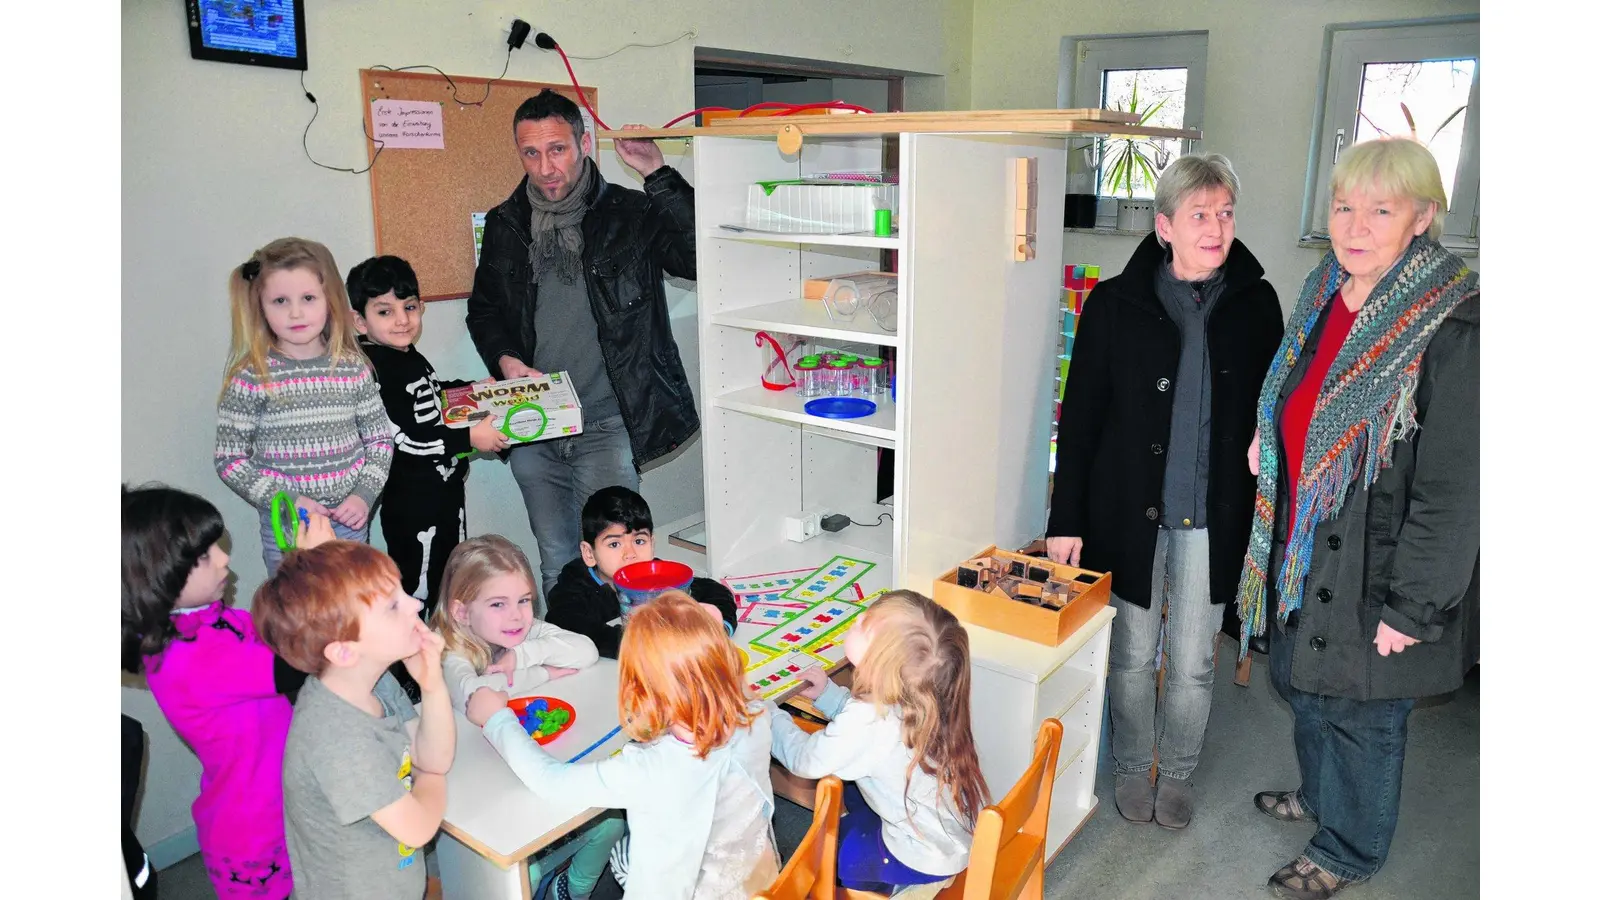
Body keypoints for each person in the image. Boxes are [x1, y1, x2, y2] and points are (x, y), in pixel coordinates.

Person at [1235, 138, 1478, 900]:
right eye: (1344, 206)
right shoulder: (1320, 294)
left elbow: (1456, 490)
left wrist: (1414, 604)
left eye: (1382, 208)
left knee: (1365, 719)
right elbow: (1294, 394)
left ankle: (1348, 848)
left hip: (1380, 563)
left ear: (1422, 218)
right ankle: (1319, 796)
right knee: (1306, 689)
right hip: (1307, 539)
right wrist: (1266, 435)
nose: (1356, 224)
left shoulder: (1452, 328)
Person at [1045, 154, 1284, 828]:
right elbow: (1081, 415)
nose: (1216, 228)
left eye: (1226, 213)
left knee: (1193, 660)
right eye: (1200, 215)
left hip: (1214, 513)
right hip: (1129, 510)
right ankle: (1129, 765)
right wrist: (1067, 518)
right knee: (1129, 651)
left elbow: (1278, 400)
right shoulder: (1115, 305)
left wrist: (1268, 435)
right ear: (1165, 226)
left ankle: (1175, 771)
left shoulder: (1257, 303)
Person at [466, 89, 699, 593]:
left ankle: (625, 664)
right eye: (531, 153)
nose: (546, 167)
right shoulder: (506, 225)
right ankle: (572, 664)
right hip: (534, 423)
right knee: (558, 562)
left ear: (584, 143)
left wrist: (657, 173)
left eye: (558, 149)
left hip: (609, 422)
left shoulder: (630, 214)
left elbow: (700, 257)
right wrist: (506, 360)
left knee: (620, 564)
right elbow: (484, 310)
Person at [466, 591, 779, 899]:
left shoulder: (648, 769)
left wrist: (497, 719)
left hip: (698, 890)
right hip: (756, 877)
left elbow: (550, 782)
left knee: (622, 855)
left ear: (641, 690)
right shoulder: (755, 711)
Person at [119, 485, 329, 897]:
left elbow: (283, 634)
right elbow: (299, 663)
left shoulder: (219, 622)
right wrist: (317, 569)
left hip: (278, 801)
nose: (224, 560)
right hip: (254, 826)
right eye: (204, 555)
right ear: (156, 574)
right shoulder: (186, 657)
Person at [254, 541, 457, 900]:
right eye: (393, 605)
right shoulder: (336, 737)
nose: (416, 605)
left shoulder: (374, 683)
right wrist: (431, 775)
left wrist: (432, 684)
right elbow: (418, 827)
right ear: (345, 651)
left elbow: (434, 757)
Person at [429, 535, 619, 900]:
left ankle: (572, 891)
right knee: (521, 868)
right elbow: (476, 697)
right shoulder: (448, 650)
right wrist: (544, 673)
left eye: (524, 601)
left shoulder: (522, 632)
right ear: (461, 612)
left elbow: (586, 651)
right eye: (498, 604)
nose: (516, 615)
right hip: (480, 794)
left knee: (609, 822)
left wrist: (525, 655)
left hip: (525, 766)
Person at [766, 591, 988, 895]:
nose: (856, 619)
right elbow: (869, 724)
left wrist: (767, 715)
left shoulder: (869, 720)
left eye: (863, 624)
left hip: (921, 858)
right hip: (949, 835)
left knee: (838, 851)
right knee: (853, 797)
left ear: (879, 660)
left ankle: (887, 889)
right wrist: (830, 696)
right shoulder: (922, 692)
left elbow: (806, 760)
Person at [215, 237, 394, 576]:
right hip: (288, 529)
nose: (295, 312)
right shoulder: (251, 376)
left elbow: (380, 441)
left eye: (308, 298)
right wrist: (287, 500)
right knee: (296, 620)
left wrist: (364, 494)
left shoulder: (353, 368)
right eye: (280, 300)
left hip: (348, 522)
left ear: (329, 301)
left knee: (351, 614)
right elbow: (229, 459)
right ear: (260, 306)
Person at [349, 255, 509, 614]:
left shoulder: (407, 356)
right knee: (417, 583)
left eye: (408, 307)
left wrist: (472, 389)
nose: (402, 319)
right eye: (385, 311)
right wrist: (468, 439)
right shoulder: (375, 368)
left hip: (444, 494)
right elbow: (402, 436)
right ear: (360, 320)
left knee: (451, 574)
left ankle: (445, 652)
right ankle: (411, 663)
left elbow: (431, 397)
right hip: (412, 503)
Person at [545, 485, 738, 656]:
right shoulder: (574, 588)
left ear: (652, 544)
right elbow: (567, 624)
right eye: (614, 544)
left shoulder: (656, 575)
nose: (630, 554)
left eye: (639, 541)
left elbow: (713, 590)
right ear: (589, 553)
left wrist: (718, 629)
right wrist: (647, 644)